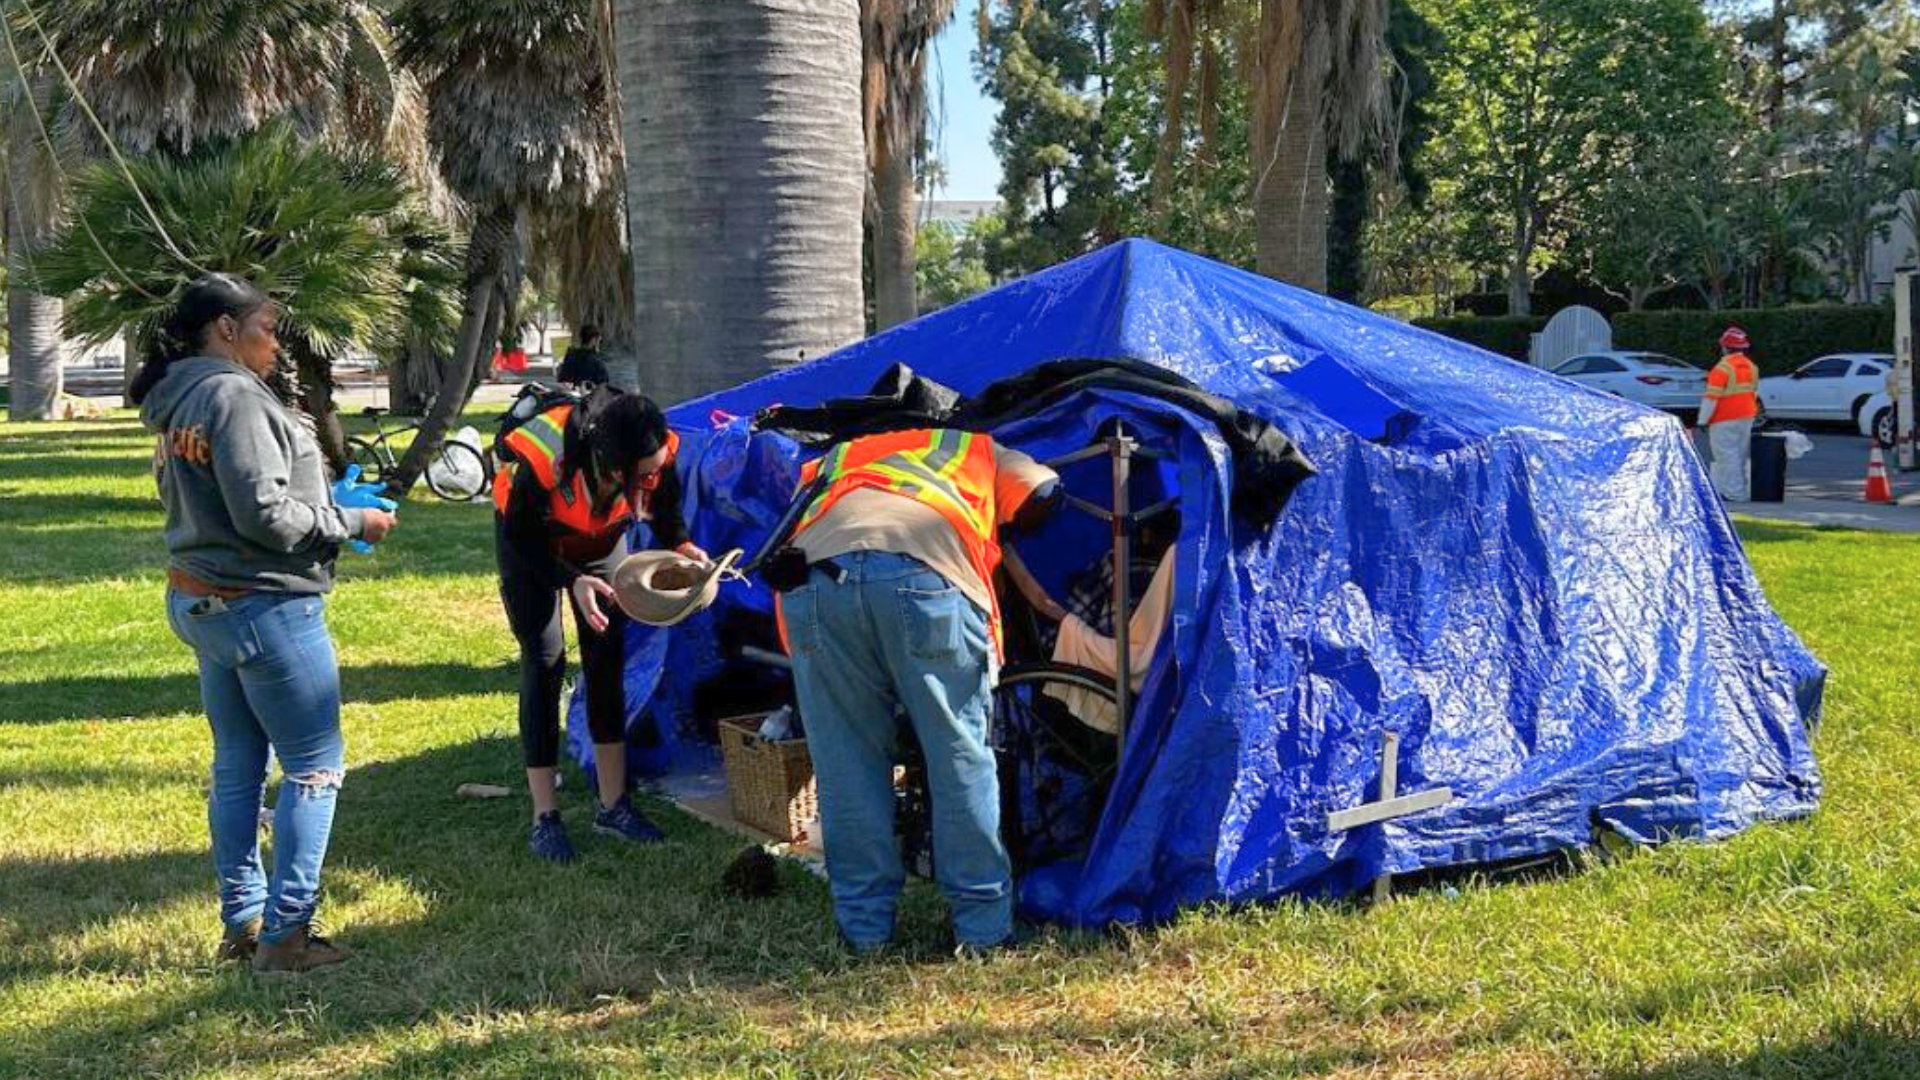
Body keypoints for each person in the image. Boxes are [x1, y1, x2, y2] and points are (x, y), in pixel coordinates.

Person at [137, 272, 398, 974]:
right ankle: (286, 937)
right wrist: (352, 521)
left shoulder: (182, 395)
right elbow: (266, 516)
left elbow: (235, 501)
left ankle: (243, 921)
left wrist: (322, 495)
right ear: (226, 328)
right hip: (264, 606)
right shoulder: (230, 394)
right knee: (314, 770)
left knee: (237, 768)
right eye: (268, 326)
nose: (277, 342)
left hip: (204, 599)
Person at [772, 428, 1060, 954]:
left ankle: (865, 933)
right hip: (926, 577)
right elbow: (1041, 491)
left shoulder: (838, 455)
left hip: (814, 584)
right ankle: (983, 930)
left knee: (845, 762)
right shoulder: (973, 445)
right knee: (957, 756)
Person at [493, 384, 707, 861]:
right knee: (546, 661)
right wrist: (571, 580)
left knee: (607, 660)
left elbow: (666, 502)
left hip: (600, 538)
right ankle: (544, 816)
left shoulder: (652, 447)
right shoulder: (544, 457)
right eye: (643, 474)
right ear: (613, 466)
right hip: (533, 541)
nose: (654, 475)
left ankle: (613, 806)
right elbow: (522, 537)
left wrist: (682, 543)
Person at [1699, 325, 1760, 502]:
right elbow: (1754, 393)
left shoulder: (1722, 368)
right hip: (1747, 415)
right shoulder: (1751, 367)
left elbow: (1711, 398)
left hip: (1724, 418)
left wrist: (1703, 420)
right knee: (1739, 455)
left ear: (1725, 347)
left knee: (1726, 455)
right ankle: (1738, 489)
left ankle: (1734, 494)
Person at [555, 324, 612, 388]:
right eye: (599, 341)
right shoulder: (597, 363)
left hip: (568, 395)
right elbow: (603, 387)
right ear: (593, 340)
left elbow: (561, 379)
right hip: (587, 396)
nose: (599, 344)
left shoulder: (570, 356)